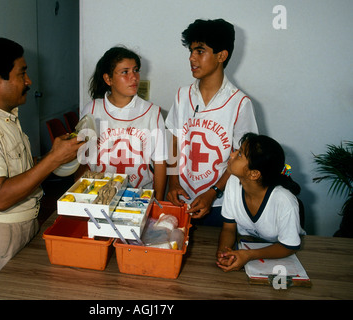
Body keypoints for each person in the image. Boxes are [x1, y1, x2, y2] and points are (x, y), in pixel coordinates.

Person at [0, 37, 83, 284]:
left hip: (26, 224)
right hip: (1, 235)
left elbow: (20, 170)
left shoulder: (6, 119)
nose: (28, 81)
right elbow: (0, 198)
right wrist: (54, 159)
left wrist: (54, 155)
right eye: (21, 73)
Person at [165, 18, 258, 225]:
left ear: (221, 56)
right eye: (190, 51)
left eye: (200, 51)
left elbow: (242, 158)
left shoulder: (240, 103)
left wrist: (213, 192)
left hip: (220, 204)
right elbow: (173, 142)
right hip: (181, 196)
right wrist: (173, 182)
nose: (191, 58)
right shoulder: (182, 95)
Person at [78, 46, 167, 200]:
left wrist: (158, 201)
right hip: (98, 195)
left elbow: (160, 163)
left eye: (136, 70)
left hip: (139, 196)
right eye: (125, 72)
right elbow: (80, 156)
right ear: (108, 79)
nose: (134, 77)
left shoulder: (152, 112)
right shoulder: (92, 109)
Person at [216, 133, 305, 272]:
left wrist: (250, 255)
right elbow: (228, 228)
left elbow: (289, 246)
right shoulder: (233, 181)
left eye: (240, 155)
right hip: (246, 248)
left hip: (281, 257)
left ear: (254, 174)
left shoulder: (284, 201)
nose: (232, 155)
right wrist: (224, 253)